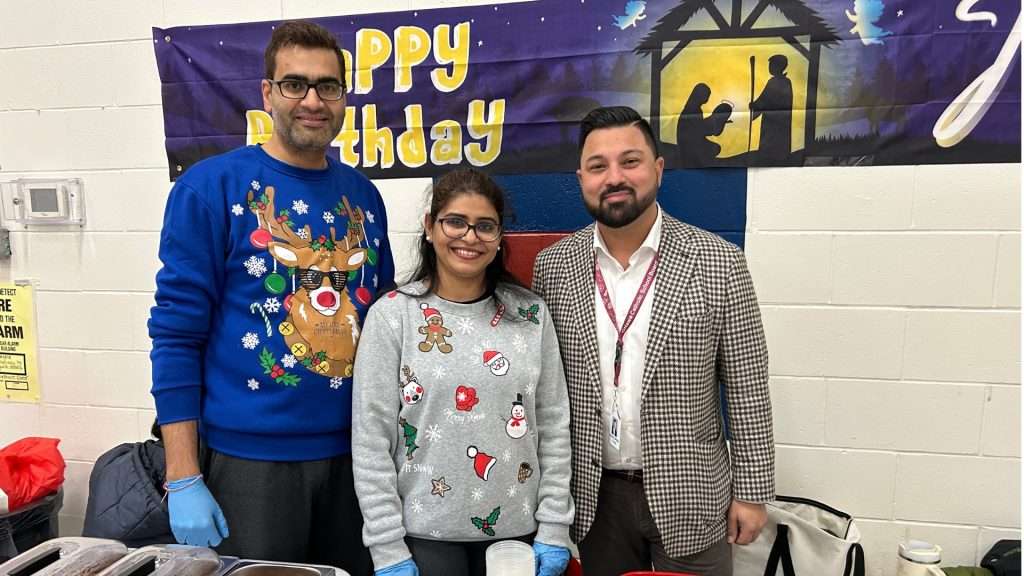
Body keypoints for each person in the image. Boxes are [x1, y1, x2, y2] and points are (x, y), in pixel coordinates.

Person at [148, 21, 394, 574]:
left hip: (355, 462)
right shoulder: (211, 189)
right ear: (267, 93)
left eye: (328, 86)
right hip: (249, 465)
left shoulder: (364, 198)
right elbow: (175, 338)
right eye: (294, 84)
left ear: (343, 97)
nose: (312, 100)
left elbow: (382, 325)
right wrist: (182, 474)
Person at [532, 106, 774, 576]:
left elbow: (747, 387)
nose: (614, 177)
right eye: (598, 166)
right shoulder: (553, 268)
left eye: (631, 161)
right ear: (581, 177)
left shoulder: (719, 262)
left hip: (694, 494)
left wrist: (752, 491)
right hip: (593, 498)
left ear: (658, 170)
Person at [352, 168, 573, 576]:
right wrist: (386, 548)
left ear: (499, 237)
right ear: (429, 227)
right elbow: (370, 440)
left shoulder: (529, 315)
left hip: (517, 535)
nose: (470, 237)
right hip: (424, 538)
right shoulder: (393, 316)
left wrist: (555, 527)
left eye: (485, 226)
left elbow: (555, 426)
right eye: (455, 222)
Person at [750, 54, 794, 164]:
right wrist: (756, 105)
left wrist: (754, 105)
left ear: (778, 66)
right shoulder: (785, 82)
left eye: (771, 65)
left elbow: (765, 99)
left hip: (773, 121)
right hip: (780, 121)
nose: (769, 67)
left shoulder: (775, 82)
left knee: (771, 143)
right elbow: (765, 99)